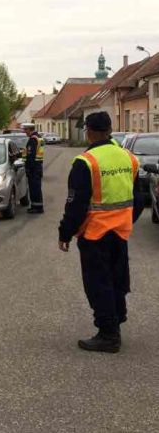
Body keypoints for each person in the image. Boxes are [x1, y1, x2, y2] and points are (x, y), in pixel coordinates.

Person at [58, 112, 143, 353]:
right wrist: (126, 220)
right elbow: (137, 200)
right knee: (117, 278)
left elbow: (75, 204)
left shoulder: (86, 162)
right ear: (110, 129)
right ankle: (117, 318)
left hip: (95, 234)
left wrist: (65, 233)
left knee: (98, 283)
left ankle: (108, 334)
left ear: (89, 131)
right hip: (121, 232)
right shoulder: (129, 158)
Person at [21, 122, 45, 214]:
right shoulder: (39, 137)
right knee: (37, 188)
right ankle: (38, 206)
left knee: (34, 188)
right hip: (38, 166)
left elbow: (31, 155)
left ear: (29, 129)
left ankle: (37, 208)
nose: (24, 132)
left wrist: (28, 168)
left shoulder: (33, 140)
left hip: (34, 168)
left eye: (25, 130)